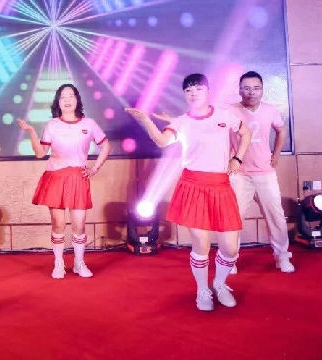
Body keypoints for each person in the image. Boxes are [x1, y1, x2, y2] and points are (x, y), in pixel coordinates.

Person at [126, 73, 251, 311]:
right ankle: (202, 290)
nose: (193, 94)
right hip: (193, 186)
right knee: (201, 245)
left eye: (198, 89)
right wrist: (146, 121)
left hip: (221, 186)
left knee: (230, 248)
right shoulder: (181, 122)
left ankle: (220, 284)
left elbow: (246, 133)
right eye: (188, 91)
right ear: (184, 95)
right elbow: (162, 141)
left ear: (208, 91)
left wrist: (237, 158)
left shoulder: (224, 116)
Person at [17, 83, 112, 279]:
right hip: (55, 177)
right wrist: (31, 132)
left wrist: (94, 168)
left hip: (78, 178)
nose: (67, 100)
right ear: (58, 102)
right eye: (63, 96)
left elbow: (106, 146)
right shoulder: (52, 125)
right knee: (58, 224)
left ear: (77, 100)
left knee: (79, 224)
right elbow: (40, 153)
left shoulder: (89, 124)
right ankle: (59, 263)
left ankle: (79, 263)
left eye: (71, 96)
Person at [229, 71, 293, 273]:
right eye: (247, 88)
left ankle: (282, 257)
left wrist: (276, 154)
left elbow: (281, 130)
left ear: (262, 89)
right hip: (240, 174)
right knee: (233, 219)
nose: (252, 92)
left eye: (256, 88)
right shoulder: (229, 111)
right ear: (240, 90)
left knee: (276, 217)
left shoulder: (270, 110)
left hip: (265, 173)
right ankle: (229, 260)